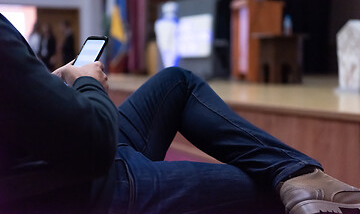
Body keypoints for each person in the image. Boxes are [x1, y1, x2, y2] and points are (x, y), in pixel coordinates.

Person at [0, 13, 359, 214]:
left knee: (176, 82)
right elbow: (92, 143)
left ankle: (298, 172)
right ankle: (298, 184)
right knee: (270, 190)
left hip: (46, 165)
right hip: (84, 188)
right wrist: (86, 84)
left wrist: (47, 85)